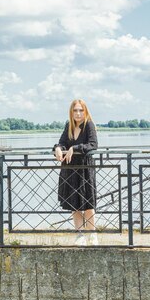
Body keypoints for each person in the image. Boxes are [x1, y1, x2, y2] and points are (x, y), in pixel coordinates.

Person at [53, 99, 98, 245]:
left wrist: (76, 148)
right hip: (70, 169)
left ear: (85, 111)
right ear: (71, 112)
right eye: (75, 111)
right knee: (74, 204)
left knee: (88, 203)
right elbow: (62, 142)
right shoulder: (69, 126)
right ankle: (79, 235)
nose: (78, 113)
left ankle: (92, 235)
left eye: (80, 110)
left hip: (85, 168)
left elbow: (93, 144)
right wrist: (58, 148)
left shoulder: (89, 125)